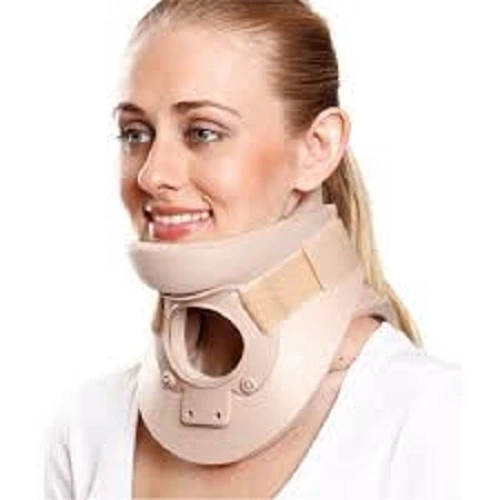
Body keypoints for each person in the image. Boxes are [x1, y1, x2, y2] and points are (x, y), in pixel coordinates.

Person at [44, 1, 462, 499]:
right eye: (135, 133)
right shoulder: (88, 428)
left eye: (203, 132)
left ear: (318, 148)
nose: (153, 173)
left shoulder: (434, 420)